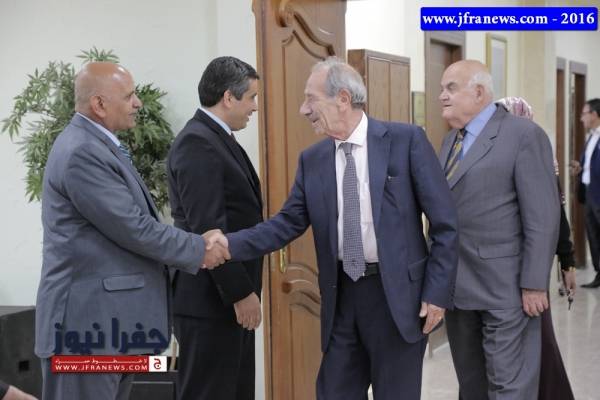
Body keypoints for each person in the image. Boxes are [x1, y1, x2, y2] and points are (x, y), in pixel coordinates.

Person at [210, 57, 458, 399]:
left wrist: (436, 293)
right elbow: (285, 224)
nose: (303, 109)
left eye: (310, 99)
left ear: (343, 98)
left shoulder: (405, 141)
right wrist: (227, 245)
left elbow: (445, 225)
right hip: (342, 298)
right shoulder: (312, 160)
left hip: (398, 299)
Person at [35, 62, 229, 400]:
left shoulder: (96, 145)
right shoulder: (82, 152)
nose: (138, 103)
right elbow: (134, 228)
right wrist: (199, 248)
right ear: (99, 104)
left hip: (106, 329)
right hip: (86, 331)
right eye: (128, 96)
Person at [438, 60, 559, 399]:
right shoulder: (450, 142)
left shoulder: (524, 135)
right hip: (459, 289)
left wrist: (535, 283)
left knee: (509, 388)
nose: (441, 96)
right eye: (442, 89)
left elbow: (543, 216)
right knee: (472, 387)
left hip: (507, 291)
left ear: (479, 92)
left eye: (451, 88)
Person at [166, 57, 263, 400]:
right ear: (228, 97)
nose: (255, 107)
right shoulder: (198, 143)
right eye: (251, 97)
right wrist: (240, 293)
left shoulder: (217, 138)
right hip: (210, 301)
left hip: (221, 301)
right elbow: (208, 231)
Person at [498, 96, 575, 400]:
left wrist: (567, 262)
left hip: (530, 266)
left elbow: (555, 216)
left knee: (537, 341)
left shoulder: (537, 155)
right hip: (497, 269)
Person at [570, 98, 600, 288]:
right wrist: (580, 168)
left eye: (584, 114)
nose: (581, 118)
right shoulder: (591, 137)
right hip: (589, 193)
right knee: (593, 235)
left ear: (594, 114)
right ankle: (599, 273)